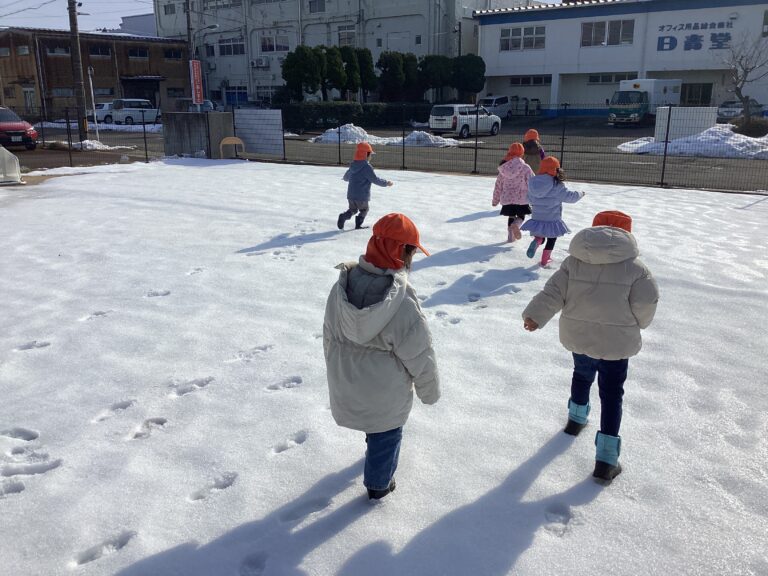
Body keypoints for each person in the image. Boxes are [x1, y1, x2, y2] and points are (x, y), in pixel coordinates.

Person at [522, 211, 659, 485]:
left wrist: (535, 316)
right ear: (627, 234)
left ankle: (576, 419)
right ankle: (606, 459)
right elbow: (647, 301)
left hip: (580, 336)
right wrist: (639, 324)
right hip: (616, 344)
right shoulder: (636, 269)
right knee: (612, 394)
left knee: (582, 375)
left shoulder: (573, 263)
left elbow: (553, 292)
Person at [323, 213, 441, 500]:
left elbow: (329, 336)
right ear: (401, 252)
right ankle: (378, 486)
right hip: (385, 393)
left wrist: (336, 371)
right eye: (411, 252)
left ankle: (372, 442)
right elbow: (420, 353)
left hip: (346, 381)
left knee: (374, 423)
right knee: (387, 435)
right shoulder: (401, 301)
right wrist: (430, 392)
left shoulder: (341, 288)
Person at [521, 156, 584, 267]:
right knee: (551, 238)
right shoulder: (556, 185)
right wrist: (580, 193)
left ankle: (537, 241)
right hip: (552, 219)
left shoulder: (534, 182)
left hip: (537, 217)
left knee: (540, 236)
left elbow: (529, 199)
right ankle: (545, 259)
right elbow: (570, 197)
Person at [337, 142, 393, 230]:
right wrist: (386, 183)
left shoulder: (353, 165)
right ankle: (358, 225)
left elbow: (346, 177)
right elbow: (375, 179)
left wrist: (346, 178)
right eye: (370, 155)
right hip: (362, 196)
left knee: (353, 210)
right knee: (364, 210)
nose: (371, 157)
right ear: (365, 154)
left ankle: (343, 216)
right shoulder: (367, 167)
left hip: (351, 195)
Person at [492, 143, 534, 243]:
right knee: (521, 216)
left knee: (511, 216)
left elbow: (498, 185)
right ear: (522, 154)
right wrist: (535, 198)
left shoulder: (504, 168)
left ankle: (511, 237)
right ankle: (516, 225)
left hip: (507, 199)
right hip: (521, 199)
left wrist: (495, 200)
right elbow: (532, 183)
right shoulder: (525, 168)